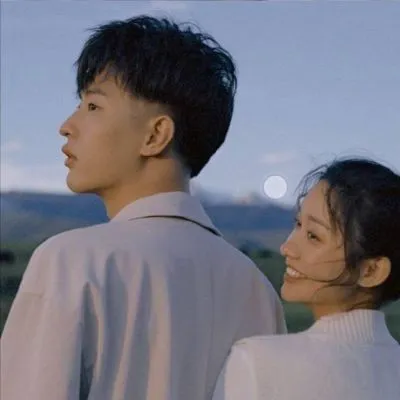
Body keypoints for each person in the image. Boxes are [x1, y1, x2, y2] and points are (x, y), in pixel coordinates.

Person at [0, 15, 286, 400]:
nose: (67, 125)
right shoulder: (258, 290)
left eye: (93, 105)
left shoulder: (69, 262)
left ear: (155, 135)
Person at [213, 157, 400, 400]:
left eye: (313, 236)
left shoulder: (258, 364)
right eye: (298, 224)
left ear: (371, 271)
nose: (287, 247)